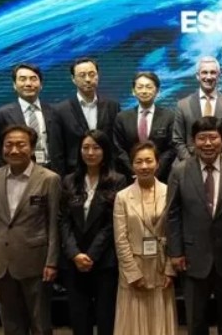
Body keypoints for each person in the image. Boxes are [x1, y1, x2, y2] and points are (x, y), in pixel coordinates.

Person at [0, 124, 61, 335]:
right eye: (9, 145)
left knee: (40, 324)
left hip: (36, 262)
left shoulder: (49, 179)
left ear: (31, 148)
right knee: (11, 325)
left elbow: (53, 224)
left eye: (21, 144)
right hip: (0, 262)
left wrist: (52, 262)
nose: (14, 150)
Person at [167, 116, 222, 335]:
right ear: (193, 141)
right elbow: (173, 214)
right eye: (202, 138)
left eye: (213, 137)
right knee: (196, 321)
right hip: (192, 256)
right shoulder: (180, 170)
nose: (208, 143)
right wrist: (176, 251)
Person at [59, 130, 127, 335]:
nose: (90, 153)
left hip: (104, 260)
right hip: (75, 261)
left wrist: (91, 255)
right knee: (79, 318)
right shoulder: (69, 180)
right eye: (85, 148)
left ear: (105, 151)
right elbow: (64, 221)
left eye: (96, 148)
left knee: (106, 318)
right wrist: (75, 254)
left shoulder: (118, 180)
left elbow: (112, 223)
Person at [113, 141, 177, 335]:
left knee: (160, 323)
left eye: (149, 161)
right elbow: (120, 239)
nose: (144, 166)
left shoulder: (169, 192)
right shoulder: (122, 197)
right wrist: (132, 273)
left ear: (158, 163)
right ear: (132, 165)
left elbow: (174, 232)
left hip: (161, 268)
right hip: (134, 269)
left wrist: (170, 269)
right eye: (138, 161)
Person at [0, 62, 65, 173]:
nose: (28, 84)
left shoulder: (54, 111)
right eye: (22, 79)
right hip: (17, 174)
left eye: (33, 79)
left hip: (52, 172)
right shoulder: (1, 115)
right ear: (14, 85)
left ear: (41, 84)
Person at [56, 57, 121, 174]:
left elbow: (117, 144)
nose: (88, 79)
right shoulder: (61, 110)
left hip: (107, 172)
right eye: (82, 75)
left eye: (92, 74)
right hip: (74, 173)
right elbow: (57, 150)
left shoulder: (113, 106)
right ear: (73, 79)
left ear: (98, 76)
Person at [172, 56, 222, 162]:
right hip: (190, 163)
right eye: (204, 72)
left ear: (218, 75)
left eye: (213, 72)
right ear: (197, 76)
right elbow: (177, 139)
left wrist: (220, 163)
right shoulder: (182, 105)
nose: (208, 77)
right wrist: (192, 164)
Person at [113, 72, 176, 181]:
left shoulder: (169, 116)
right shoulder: (122, 117)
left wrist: (155, 170)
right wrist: (134, 170)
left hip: (161, 177)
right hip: (130, 177)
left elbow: (171, 149)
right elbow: (119, 148)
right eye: (140, 87)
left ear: (157, 91)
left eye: (149, 87)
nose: (144, 91)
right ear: (133, 91)